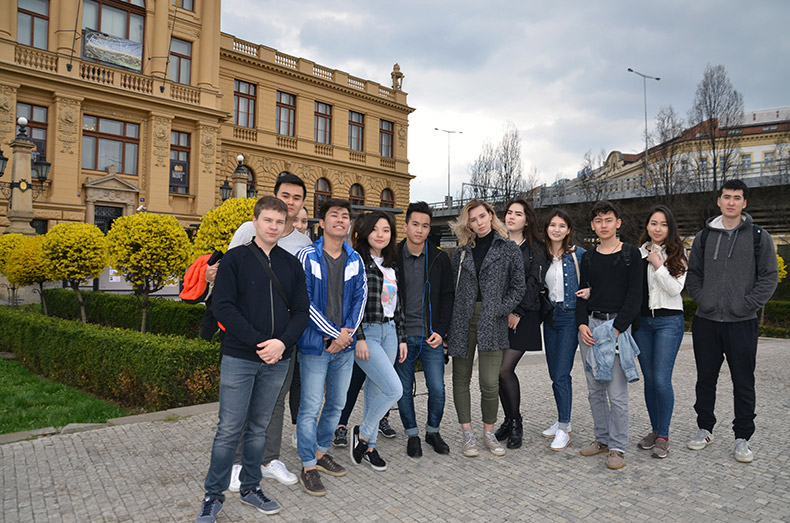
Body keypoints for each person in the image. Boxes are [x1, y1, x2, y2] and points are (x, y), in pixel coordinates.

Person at [195, 196, 309, 523]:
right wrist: (262, 343)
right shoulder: (235, 259)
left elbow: (301, 311)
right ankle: (213, 495)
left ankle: (250, 487)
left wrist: (282, 343)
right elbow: (223, 307)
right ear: (255, 222)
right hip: (240, 356)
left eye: (279, 222)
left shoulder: (291, 264)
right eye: (267, 220)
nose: (273, 226)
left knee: (259, 427)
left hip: (278, 358)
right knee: (229, 429)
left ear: (286, 226)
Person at [225, 172, 312, 490]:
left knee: (276, 399)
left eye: (297, 198)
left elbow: (301, 300)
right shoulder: (247, 231)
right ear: (274, 196)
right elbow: (226, 281)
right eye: (285, 195)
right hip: (246, 338)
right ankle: (236, 462)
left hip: (283, 340)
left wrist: (284, 341)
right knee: (243, 401)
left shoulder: (303, 244)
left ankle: (268, 459)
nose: (290, 202)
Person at [685, 179, 778, 463]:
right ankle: (705, 429)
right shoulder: (704, 237)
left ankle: (742, 438)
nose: (731, 202)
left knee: (743, 381)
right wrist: (704, 300)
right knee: (705, 380)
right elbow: (693, 274)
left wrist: (747, 304)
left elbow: (769, 277)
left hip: (742, 322)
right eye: (727, 197)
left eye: (737, 198)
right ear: (719, 201)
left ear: (744, 203)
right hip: (707, 321)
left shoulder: (759, 237)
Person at [295, 198, 367, 496]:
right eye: (334, 215)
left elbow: (360, 298)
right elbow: (303, 302)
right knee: (310, 407)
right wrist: (333, 334)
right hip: (315, 346)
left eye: (345, 216)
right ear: (321, 223)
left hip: (345, 347)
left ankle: (321, 452)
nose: (340, 219)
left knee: (337, 404)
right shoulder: (306, 256)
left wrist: (346, 335)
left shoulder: (355, 259)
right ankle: (307, 466)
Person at [447, 199, 525, 457]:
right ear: (467, 224)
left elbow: (518, 287)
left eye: (482, 216)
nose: (479, 222)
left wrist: (501, 309)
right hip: (462, 319)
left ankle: (489, 432)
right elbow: (452, 290)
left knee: (490, 382)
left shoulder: (508, 248)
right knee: (461, 378)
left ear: (491, 215)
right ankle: (467, 434)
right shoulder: (461, 252)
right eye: (473, 219)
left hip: (493, 320)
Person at [576, 200, 642, 470]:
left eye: (608, 220)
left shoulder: (630, 254)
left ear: (618, 223)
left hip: (616, 327)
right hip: (591, 326)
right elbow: (582, 294)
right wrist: (581, 325)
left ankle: (618, 447)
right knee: (595, 390)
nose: (603, 225)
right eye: (598, 221)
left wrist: (617, 328)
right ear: (593, 225)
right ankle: (602, 439)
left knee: (616, 393)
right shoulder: (588, 257)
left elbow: (635, 295)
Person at [343, 212, 408, 471]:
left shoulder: (392, 265)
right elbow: (351, 303)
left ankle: (369, 447)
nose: (380, 235)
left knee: (377, 390)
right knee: (394, 389)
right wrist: (358, 337)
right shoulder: (356, 262)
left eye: (386, 230)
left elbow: (397, 306)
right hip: (367, 332)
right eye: (375, 229)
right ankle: (362, 432)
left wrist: (402, 338)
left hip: (390, 331)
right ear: (365, 232)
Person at [394, 202, 454, 458]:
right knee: (403, 389)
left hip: (431, 337)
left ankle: (432, 431)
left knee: (437, 388)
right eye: (415, 224)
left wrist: (441, 330)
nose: (419, 230)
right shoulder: (393, 256)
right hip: (402, 337)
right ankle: (412, 434)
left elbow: (448, 296)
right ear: (406, 225)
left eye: (425, 226)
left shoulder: (439, 258)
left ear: (430, 229)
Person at [632, 205, 688, 459]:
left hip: (669, 321)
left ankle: (663, 435)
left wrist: (658, 265)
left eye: (663, 224)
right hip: (643, 323)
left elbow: (675, 289)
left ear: (670, 228)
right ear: (647, 226)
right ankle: (655, 430)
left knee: (661, 378)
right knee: (649, 379)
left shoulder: (677, 254)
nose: (657, 228)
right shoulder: (637, 254)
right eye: (653, 223)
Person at [494, 198, 546, 449]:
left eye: (518, 214)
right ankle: (508, 419)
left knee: (504, 369)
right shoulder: (499, 244)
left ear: (527, 221)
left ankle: (516, 423)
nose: (511, 217)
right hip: (500, 315)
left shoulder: (535, 249)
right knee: (496, 372)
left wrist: (518, 311)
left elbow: (534, 284)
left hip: (524, 316)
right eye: (509, 212)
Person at [540, 209, 585, 451]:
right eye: (552, 225)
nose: (556, 229)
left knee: (561, 374)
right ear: (546, 228)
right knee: (553, 373)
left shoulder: (579, 255)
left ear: (568, 230)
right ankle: (561, 419)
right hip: (550, 317)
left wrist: (590, 291)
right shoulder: (543, 256)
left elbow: (595, 281)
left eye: (561, 225)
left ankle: (564, 427)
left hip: (569, 316)